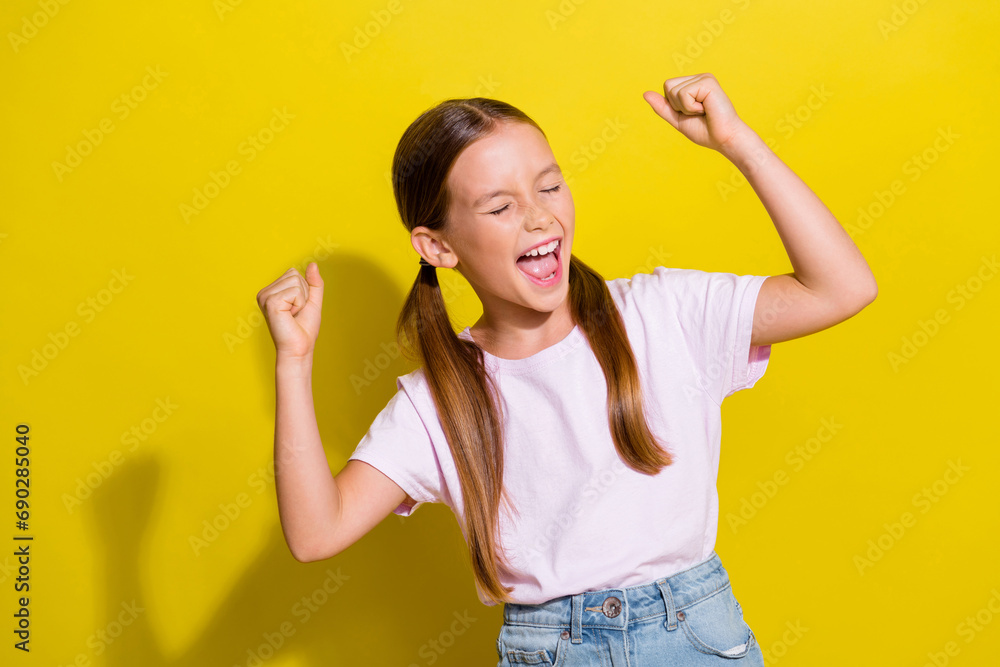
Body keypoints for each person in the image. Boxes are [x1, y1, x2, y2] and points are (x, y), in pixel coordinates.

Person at [255, 73, 877, 665]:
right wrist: (294, 361)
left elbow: (841, 288)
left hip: (695, 642)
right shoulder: (438, 400)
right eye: (500, 206)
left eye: (549, 187)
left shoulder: (664, 316)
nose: (538, 217)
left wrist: (738, 144)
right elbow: (316, 533)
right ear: (438, 246)